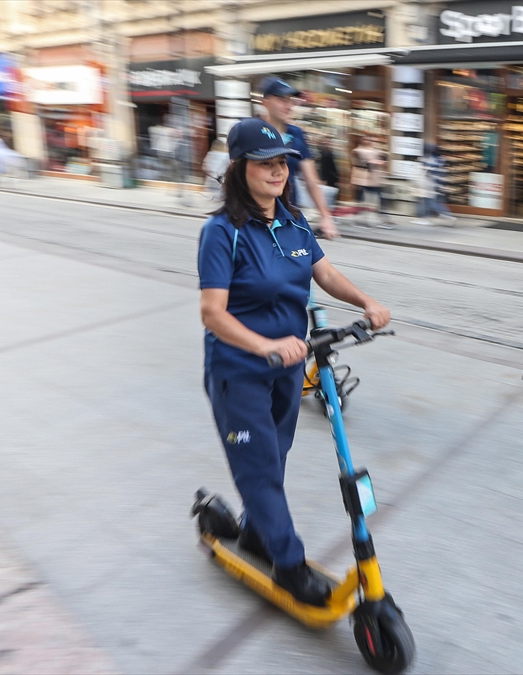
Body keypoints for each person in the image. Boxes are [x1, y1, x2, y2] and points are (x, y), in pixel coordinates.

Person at [197, 118, 390, 606]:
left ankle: (260, 530)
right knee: (259, 469)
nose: (278, 171)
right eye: (265, 163)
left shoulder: (294, 221)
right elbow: (212, 313)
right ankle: (287, 563)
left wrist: (366, 302)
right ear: (240, 169)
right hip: (239, 370)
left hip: (288, 367)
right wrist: (263, 346)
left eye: (282, 162)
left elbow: (323, 273)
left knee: (273, 460)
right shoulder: (222, 233)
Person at [257, 77, 339, 239]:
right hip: (255, 217)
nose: (288, 106)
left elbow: (311, 181)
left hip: (287, 216)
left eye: (290, 101)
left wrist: (325, 216)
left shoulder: (297, 135)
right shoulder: (251, 131)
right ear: (264, 102)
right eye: (281, 100)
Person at [351, 136, 393, 228]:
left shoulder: (374, 150)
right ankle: (360, 220)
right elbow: (362, 162)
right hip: (362, 180)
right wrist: (374, 161)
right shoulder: (358, 151)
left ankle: (383, 219)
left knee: (379, 199)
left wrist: (380, 159)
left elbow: (384, 157)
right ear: (361, 141)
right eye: (366, 139)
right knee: (362, 200)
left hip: (374, 180)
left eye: (370, 140)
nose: (369, 141)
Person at [413, 143, 456, 226]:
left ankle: (446, 216)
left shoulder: (428, 160)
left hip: (432, 186)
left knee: (431, 203)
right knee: (437, 203)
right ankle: (444, 216)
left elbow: (428, 172)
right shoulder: (441, 159)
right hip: (440, 184)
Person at [201, 138, 229, 202]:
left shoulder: (210, 154)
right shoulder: (225, 156)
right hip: (220, 180)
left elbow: (205, 166)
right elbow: (224, 168)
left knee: (210, 198)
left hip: (210, 179)